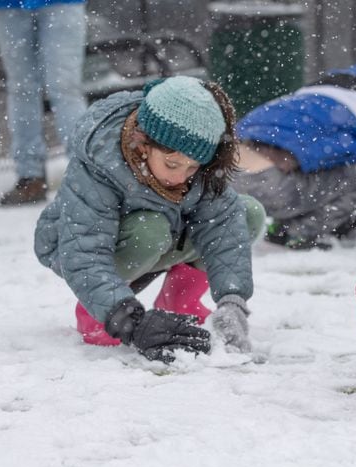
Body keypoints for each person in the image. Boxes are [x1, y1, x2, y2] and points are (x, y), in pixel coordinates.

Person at [34, 76, 266, 363]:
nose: (181, 177)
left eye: (193, 167)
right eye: (172, 164)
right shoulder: (100, 162)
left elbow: (222, 224)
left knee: (247, 214)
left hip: (162, 234)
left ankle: (181, 302)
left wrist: (233, 301)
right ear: (143, 143)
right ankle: (95, 312)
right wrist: (129, 321)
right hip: (85, 250)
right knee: (150, 231)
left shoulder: (196, 166)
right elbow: (84, 253)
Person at [232, 63, 356, 250]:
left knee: (322, 167)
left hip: (227, 181)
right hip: (271, 185)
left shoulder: (306, 95)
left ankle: (287, 226)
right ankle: (297, 233)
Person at [0, 0, 88, 206]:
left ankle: (84, 172)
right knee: (22, 89)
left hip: (62, 4)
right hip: (8, 5)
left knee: (64, 87)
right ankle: (29, 176)